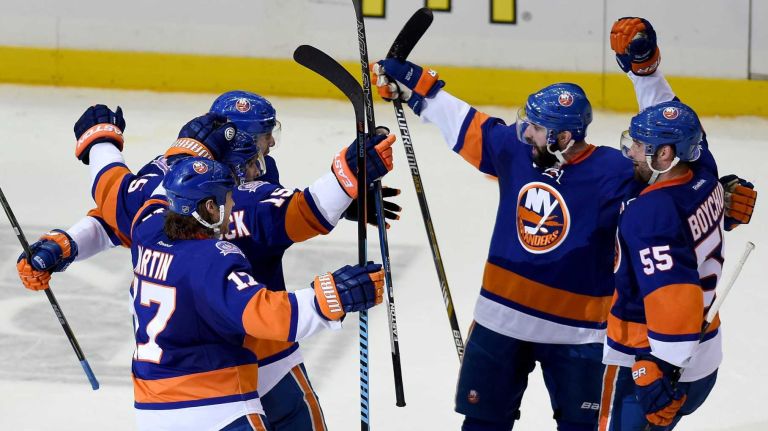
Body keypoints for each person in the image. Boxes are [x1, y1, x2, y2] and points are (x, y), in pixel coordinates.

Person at [368, 17, 755, 430]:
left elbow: (670, 184)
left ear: (564, 138)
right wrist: (415, 87)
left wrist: (717, 199)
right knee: (481, 424)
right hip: (501, 319)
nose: (525, 131)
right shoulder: (516, 150)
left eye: (535, 127)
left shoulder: (615, 171)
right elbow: (466, 123)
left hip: (581, 333)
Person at [17, 94, 398, 430]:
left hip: (177, 375)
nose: (268, 151)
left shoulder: (163, 188)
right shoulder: (240, 200)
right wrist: (347, 180)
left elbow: (117, 210)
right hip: (252, 346)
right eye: (264, 141)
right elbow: (305, 210)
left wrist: (64, 242)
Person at [130, 156, 384, 430]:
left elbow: (148, 199)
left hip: (150, 409)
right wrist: (333, 296)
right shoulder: (210, 259)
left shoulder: (146, 233)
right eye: (227, 198)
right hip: (217, 408)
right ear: (210, 208)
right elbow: (264, 315)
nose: (233, 204)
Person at [599, 100, 722, 431]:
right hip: (705, 355)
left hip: (653, 362)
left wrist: (654, 368)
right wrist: (646, 72)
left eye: (640, 145)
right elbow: (683, 119)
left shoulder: (650, 213)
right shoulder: (707, 177)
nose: (632, 152)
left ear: (665, 155)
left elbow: (673, 294)